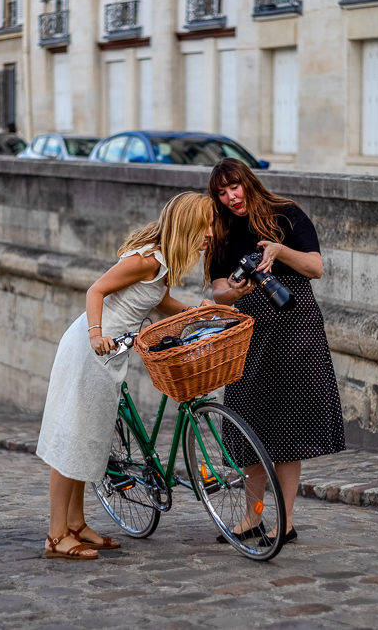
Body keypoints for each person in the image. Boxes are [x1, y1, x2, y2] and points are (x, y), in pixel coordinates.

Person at [37, 192, 214, 560]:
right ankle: (55, 535)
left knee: (89, 442)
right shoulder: (146, 260)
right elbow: (96, 289)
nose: (210, 233)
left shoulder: (161, 263)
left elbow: (158, 302)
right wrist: (96, 334)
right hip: (92, 348)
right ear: (186, 226)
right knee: (72, 439)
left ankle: (76, 524)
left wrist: (196, 310)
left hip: (111, 353)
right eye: (205, 226)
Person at [204, 159, 345, 546]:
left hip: (295, 331)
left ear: (248, 182)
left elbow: (315, 267)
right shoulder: (221, 231)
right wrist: (235, 290)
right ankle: (253, 517)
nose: (231, 197)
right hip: (247, 332)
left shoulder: (287, 214)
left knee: (287, 425)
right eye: (222, 192)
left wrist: (279, 251)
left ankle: (284, 522)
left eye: (235, 186)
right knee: (249, 420)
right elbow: (218, 289)